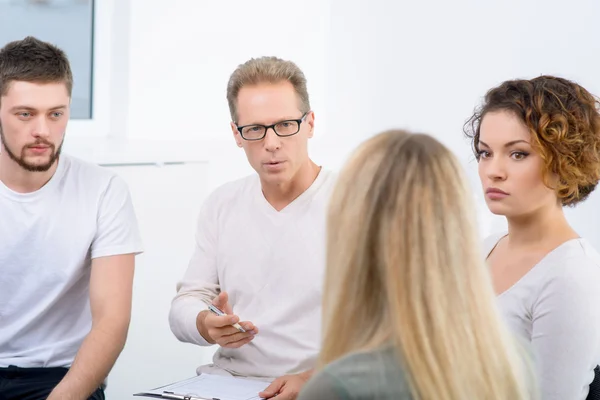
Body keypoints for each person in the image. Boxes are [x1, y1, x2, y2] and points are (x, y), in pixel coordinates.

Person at [297, 130, 536, 400]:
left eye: (518, 154)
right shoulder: (517, 360)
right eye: (485, 153)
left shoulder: (340, 387)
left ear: (352, 231)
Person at [168, 56, 336, 399]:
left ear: (310, 124)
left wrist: (317, 377)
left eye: (286, 125)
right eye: (255, 129)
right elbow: (186, 302)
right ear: (237, 135)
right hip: (227, 382)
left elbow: (394, 328)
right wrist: (205, 323)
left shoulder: (359, 202)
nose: (271, 143)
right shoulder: (223, 203)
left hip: (322, 385)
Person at [0, 37, 143, 400]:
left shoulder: (104, 190)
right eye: (25, 114)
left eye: (56, 114)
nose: (43, 131)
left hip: (61, 377)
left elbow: (112, 321)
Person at [464, 75, 600, 400]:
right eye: (485, 153)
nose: (493, 171)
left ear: (566, 161)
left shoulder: (570, 276)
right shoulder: (485, 248)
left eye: (518, 154)